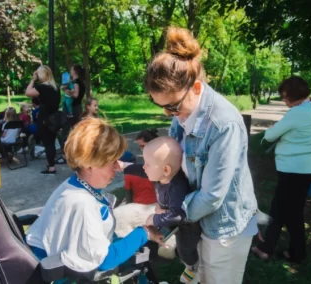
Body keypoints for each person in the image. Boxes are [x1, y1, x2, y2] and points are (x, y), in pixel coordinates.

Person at [145, 27, 258, 284]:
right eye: (160, 105)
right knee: (198, 277)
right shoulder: (182, 113)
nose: (167, 114)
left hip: (224, 228)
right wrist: (164, 206)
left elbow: (212, 196)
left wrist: (166, 218)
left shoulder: (223, 124)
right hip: (195, 222)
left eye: (172, 106)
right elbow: (173, 168)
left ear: (196, 87)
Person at [26, 118, 164, 281]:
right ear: (89, 165)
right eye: (111, 161)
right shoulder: (83, 203)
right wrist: (145, 232)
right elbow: (105, 260)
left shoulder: (74, 184)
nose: (117, 167)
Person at [251, 76, 311, 263]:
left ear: (295, 95)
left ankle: (278, 250)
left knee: (286, 212)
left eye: (284, 96)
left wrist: (275, 129)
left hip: (294, 172)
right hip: (303, 170)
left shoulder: (297, 113)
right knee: (286, 210)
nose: (283, 100)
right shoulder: (309, 109)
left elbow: (270, 134)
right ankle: (279, 249)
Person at [142, 136, 201, 283]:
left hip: (187, 227)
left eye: (147, 164)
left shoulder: (176, 188)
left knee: (184, 249)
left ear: (166, 170)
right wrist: (124, 166)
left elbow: (179, 215)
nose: (144, 167)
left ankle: (193, 268)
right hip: (172, 221)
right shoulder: (161, 177)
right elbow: (139, 170)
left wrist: (155, 218)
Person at [25, 65, 61, 175]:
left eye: (38, 73)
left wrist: (33, 80)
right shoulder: (55, 87)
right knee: (51, 142)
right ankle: (51, 163)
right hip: (54, 118)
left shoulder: (42, 87)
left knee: (48, 143)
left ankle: (51, 167)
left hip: (45, 118)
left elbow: (28, 92)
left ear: (43, 75)